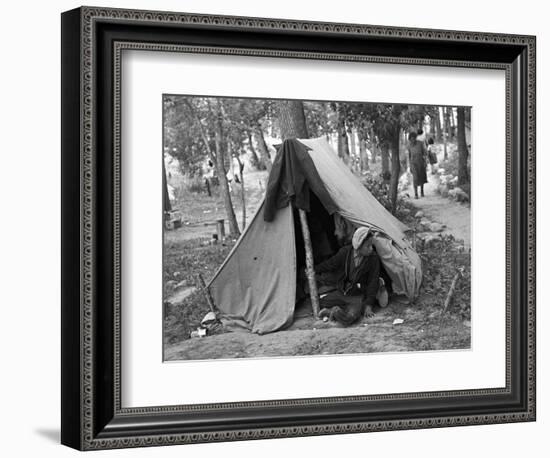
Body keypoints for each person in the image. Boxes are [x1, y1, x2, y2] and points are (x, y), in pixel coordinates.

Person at [313, 227, 388, 326]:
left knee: (350, 317)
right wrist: (314, 269)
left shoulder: (373, 259)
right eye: (368, 246)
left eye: (371, 245)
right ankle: (333, 310)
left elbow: (372, 282)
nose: (371, 249)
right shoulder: (345, 252)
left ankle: (334, 312)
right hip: (342, 292)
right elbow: (331, 264)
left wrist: (369, 305)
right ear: (358, 246)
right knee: (320, 302)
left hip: (357, 296)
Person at [407, 131, 428, 199]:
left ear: (415, 138)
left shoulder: (420, 143)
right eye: (411, 139)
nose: (412, 140)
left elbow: (425, 153)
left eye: (413, 139)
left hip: (420, 162)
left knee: (421, 177)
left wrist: (425, 162)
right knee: (415, 178)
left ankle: (422, 191)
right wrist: (410, 166)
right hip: (413, 163)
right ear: (409, 139)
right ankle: (416, 194)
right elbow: (409, 156)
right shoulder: (409, 146)